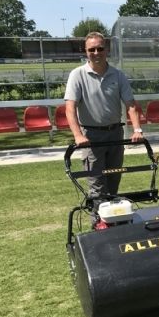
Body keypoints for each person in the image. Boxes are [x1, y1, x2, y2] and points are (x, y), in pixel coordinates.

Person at [64, 32, 144, 226]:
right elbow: (70, 108)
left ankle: (114, 221)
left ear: (106, 50)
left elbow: (131, 105)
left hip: (115, 134)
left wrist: (137, 130)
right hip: (91, 137)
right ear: (85, 51)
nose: (96, 53)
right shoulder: (78, 75)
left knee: (114, 181)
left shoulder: (117, 75)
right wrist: (78, 135)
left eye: (100, 48)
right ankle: (98, 226)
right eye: (91, 49)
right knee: (97, 186)